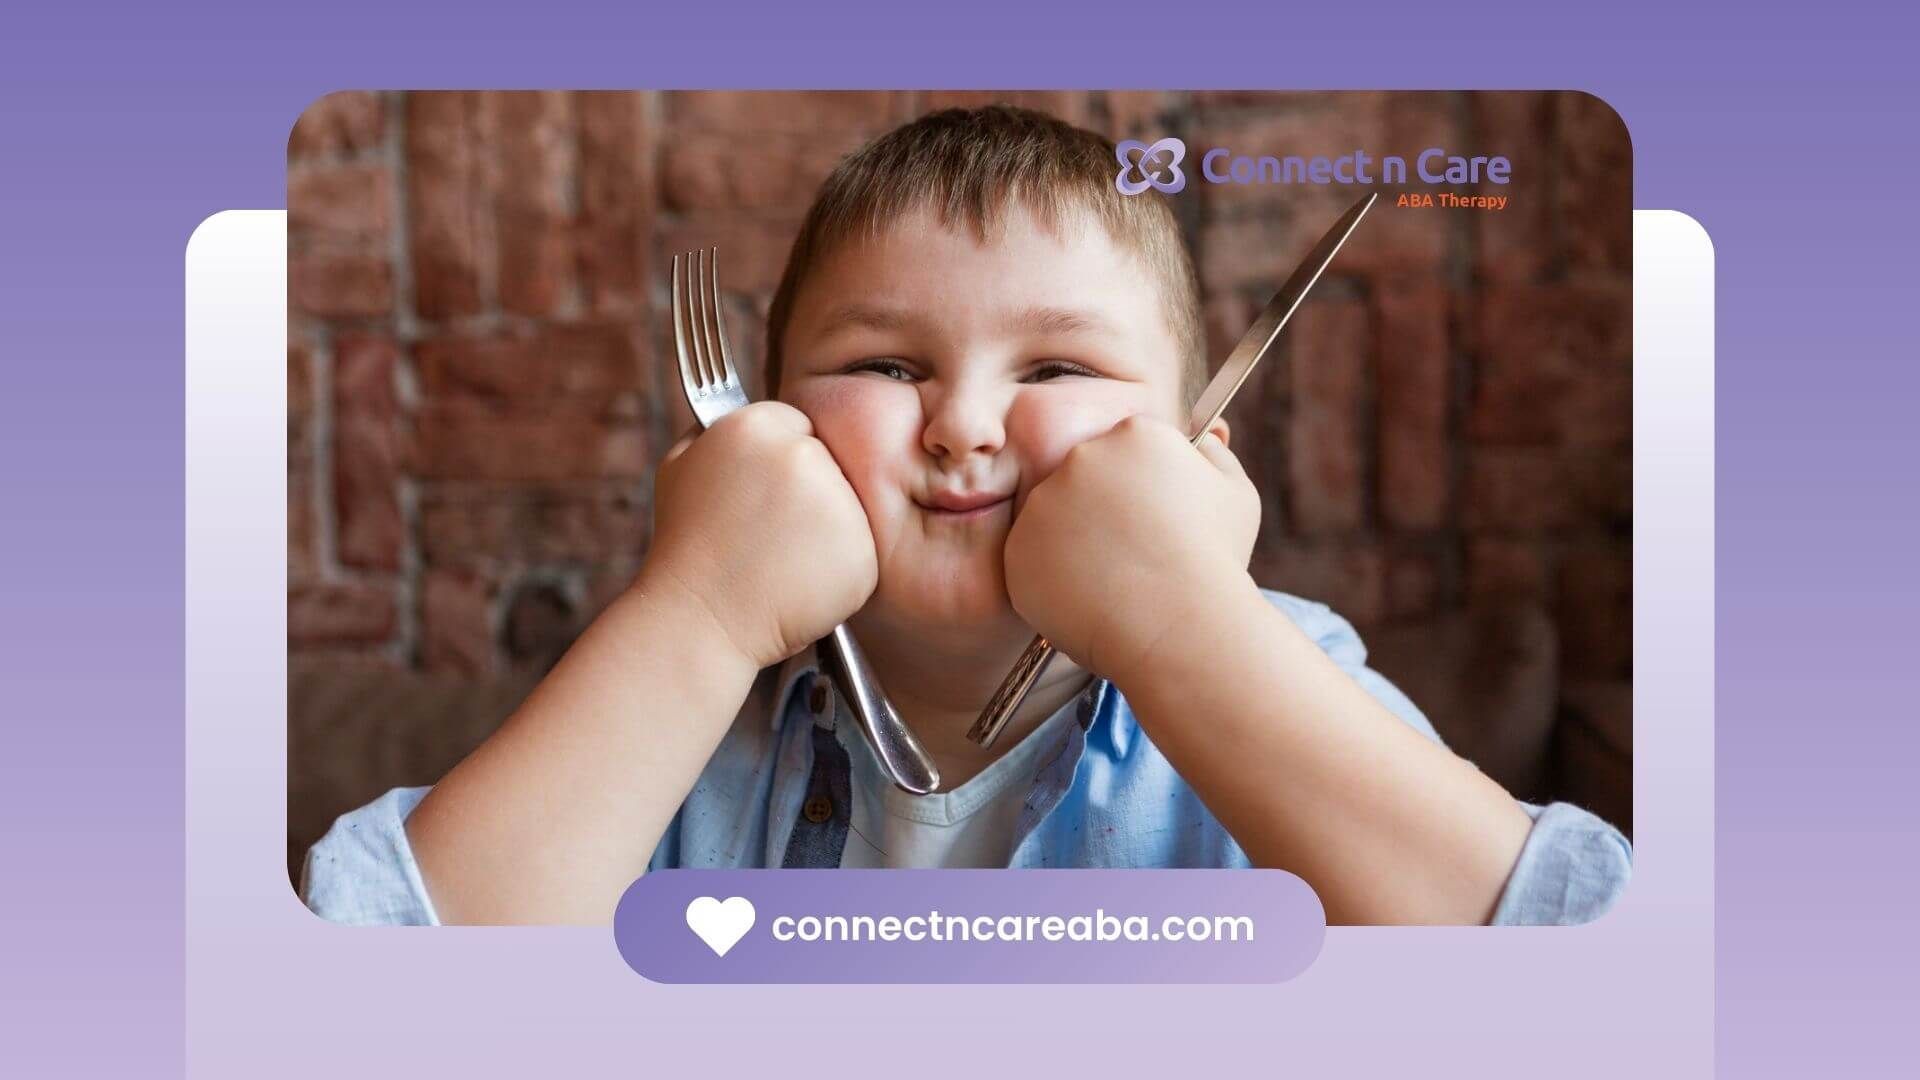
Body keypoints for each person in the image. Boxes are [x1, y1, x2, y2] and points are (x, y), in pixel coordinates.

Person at [302, 104, 1630, 926]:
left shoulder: (1282, 674)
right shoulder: (680, 713)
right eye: (886, 367)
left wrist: (1186, 620)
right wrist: (699, 610)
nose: (963, 426)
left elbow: (1575, 963)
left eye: (1053, 368)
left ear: (1192, 461)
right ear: (765, 442)